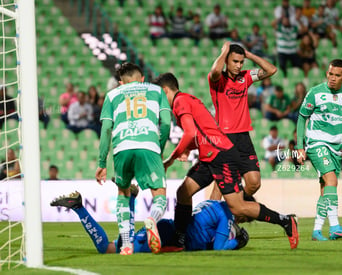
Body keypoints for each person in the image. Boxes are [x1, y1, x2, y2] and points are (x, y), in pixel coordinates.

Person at [153, 72, 298, 251]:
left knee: (237, 208)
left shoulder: (179, 102)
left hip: (222, 155)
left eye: (159, 95)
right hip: (210, 155)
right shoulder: (185, 100)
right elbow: (199, 132)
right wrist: (189, 148)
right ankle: (179, 240)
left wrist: (171, 159)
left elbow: (190, 132)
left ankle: (285, 221)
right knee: (183, 192)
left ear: (165, 90)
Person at [95, 62, 172, 255]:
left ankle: (127, 245)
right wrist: (159, 148)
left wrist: (102, 163)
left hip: (122, 147)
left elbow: (105, 130)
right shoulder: (156, 90)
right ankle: (152, 219)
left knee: (123, 193)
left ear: (121, 82)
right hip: (149, 145)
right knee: (159, 193)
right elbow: (166, 124)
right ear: (142, 78)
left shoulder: (112, 95)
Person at [50, 188, 250, 253]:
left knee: (116, 246)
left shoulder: (210, 205)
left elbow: (216, 193)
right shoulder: (226, 215)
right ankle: (79, 207)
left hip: (170, 228)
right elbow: (219, 247)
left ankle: (129, 199)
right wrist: (237, 242)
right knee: (109, 249)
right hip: (172, 239)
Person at [296, 59, 342, 241]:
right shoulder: (315, 93)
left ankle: (317, 230)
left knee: (325, 188)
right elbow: (301, 118)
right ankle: (335, 227)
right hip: (316, 143)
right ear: (327, 73)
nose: (332, 78)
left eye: (337, 75)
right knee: (332, 180)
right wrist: (299, 146)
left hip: (336, 148)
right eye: (330, 74)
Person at [208, 42, 277, 199]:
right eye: (235, 61)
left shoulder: (245, 77)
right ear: (226, 60)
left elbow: (271, 70)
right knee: (220, 187)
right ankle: (211, 220)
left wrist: (249, 54)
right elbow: (215, 71)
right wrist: (225, 50)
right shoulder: (217, 79)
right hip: (225, 137)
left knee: (254, 182)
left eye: (241, 62)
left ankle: (235, 211)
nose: (238, 66)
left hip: (243, 137)